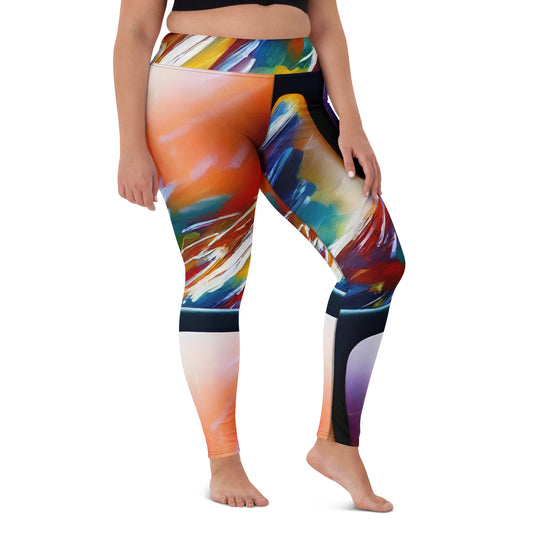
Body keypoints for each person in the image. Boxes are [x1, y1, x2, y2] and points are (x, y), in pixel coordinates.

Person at [113, 0, 406, 512]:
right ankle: (224, 458)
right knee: (216, 278)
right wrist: (129, 146)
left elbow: (326, 22)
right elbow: (136, 28)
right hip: (195, 90)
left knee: (376, 261)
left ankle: (337, 443)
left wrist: (353, 123)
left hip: (296, 88)